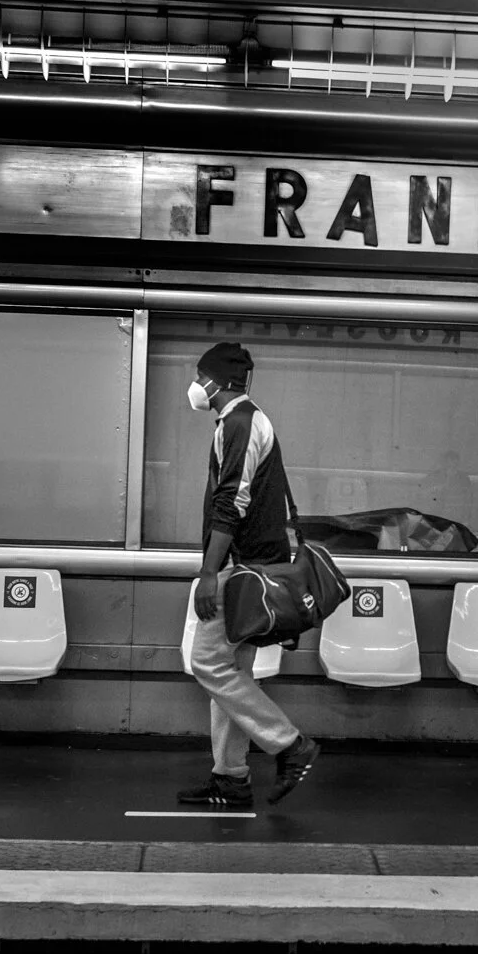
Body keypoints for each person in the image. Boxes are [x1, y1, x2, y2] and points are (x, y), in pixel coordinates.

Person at [176, 342, 321, 808]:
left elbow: (231, 504)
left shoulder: (237, 424)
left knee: (207, 663)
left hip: (246, 571)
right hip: (254, 565)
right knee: (233, 671)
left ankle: (289, 744)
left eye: (200, 376)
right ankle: (231, 778)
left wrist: (208, 573)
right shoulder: (246, 420)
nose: (196, 386)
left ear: (218, 381)